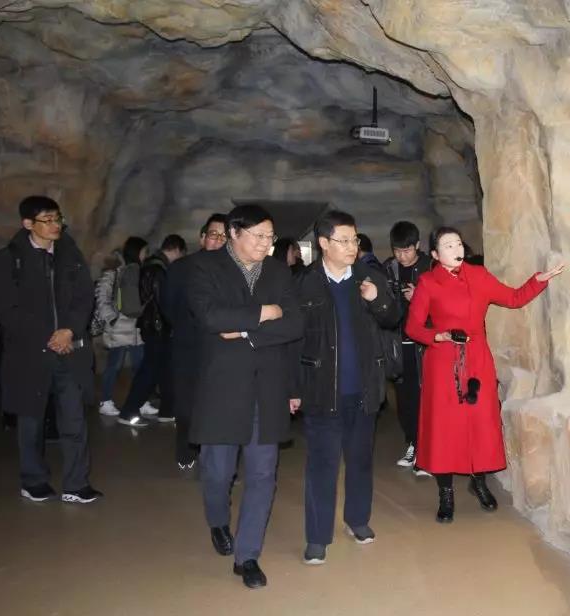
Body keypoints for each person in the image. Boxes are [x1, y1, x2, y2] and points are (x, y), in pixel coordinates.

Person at [405, 226, 564, 523]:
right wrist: (437, 336)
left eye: (458, 243)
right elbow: (413, 327)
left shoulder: (478, 275)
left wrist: (538, 280)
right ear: (436, 255)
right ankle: (445, 492)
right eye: (447, 246)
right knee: (444, 427)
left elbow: (513, 298)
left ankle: (478, 481)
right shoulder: (428, 282)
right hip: (443, 361)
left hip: (477, 359)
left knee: (480, 422)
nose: (456, 249)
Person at [187, 204, 304, 589]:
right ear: (234, 233)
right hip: (222, 387)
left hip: (267, 387)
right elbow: (212, 317)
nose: (265, 244)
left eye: (270, 237)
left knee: (263, 473)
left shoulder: (277, 270)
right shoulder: (204, 267)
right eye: (258, 236)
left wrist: (246, 330)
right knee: (218, 472)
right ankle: (218, 521)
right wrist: (266, 311)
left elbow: (294, 323)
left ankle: (248, 555)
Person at [294, 210, 400, 566]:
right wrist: (293, 388)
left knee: (360, 461)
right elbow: (293, 341)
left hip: (364, 389)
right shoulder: (304, 283)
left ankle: (358, 520)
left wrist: (377, 298)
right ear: (324, 243)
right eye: (344, 240)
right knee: (321, 466)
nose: (352, 246)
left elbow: (393, 317)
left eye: (354, 239)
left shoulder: (370, 277)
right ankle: (317, 537)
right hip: (322, 390)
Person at [0, 195, 103, 503]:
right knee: (31, 421)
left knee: (74, 420)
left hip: (69, 351)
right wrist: (48, 336)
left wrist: (69, 330)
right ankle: (33, 480)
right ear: (28, 223)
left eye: (58, 219)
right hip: (30, 355)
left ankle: (76, 484)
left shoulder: (70, 254)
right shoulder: (8, 260)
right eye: (48, 220)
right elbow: (5, 309)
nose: (56, 225)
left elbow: (85, 296)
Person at [161, 213, 227, 469]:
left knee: (219, 403)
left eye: (224, 236)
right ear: (202, 238)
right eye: (213, 234)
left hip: (224, 346)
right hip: (188, 344)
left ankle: (217, 457)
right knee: (187, 403)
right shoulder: (181, 268)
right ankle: (186, 450)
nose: (218, 240)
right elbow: (168, 306)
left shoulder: (237, 270)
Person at [116, 235, 186, 426]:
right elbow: (163, 301)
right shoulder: (158, 269)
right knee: (150, 370)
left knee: (164, 368)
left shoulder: (152, 266)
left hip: (154, 326)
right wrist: (176, 321)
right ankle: (128, 411)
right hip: (157, 327)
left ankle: (167, 410)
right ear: (177, 250)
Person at [383, 221, 432, 473]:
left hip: (425, 346)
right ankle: (413, 443)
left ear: (417, 246)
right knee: (405, 399)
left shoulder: (430, 267)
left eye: (407, 250)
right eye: (397, 251)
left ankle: (427, 451)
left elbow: (443, 306)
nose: (402, 256)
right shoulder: (389, 268)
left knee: (427, 398)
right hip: (398, 343)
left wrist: (419, 298)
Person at [95, 236, 150, 417]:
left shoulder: (139, 272)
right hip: (119, 329)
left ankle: (140, 401)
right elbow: (102, 297)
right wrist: (112, 319)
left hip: (136, 330)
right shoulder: (114, 273)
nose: (146, 255)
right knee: (114, 367)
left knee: (140, 367)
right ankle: (105, 401)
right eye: (144, 251)